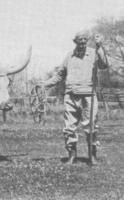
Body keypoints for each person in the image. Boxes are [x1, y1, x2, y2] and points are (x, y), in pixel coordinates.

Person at [42, 30, 109, 164]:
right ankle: (72, 155)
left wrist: (100, 46)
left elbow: (104, 65)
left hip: (88, 95)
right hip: (71, 96)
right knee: (69, 127)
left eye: (85, 39)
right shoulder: (69, 56)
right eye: (80, 40)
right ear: (75, 41)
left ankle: (92, 155)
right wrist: (45, 84)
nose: (83, 42)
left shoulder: (94, 53)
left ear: (87, 40)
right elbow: (60, 74)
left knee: (91, 126)